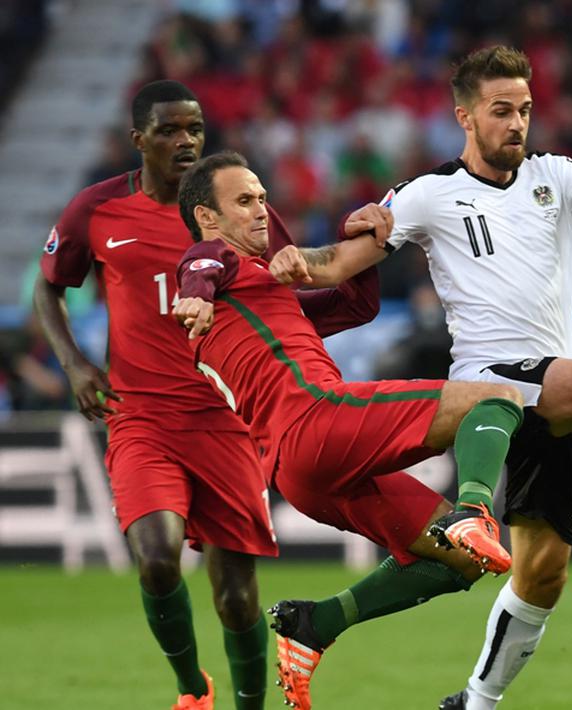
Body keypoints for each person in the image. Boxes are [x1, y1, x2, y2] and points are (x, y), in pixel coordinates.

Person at [265, 46, 572, 710]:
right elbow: (338, 264)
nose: (516, 123)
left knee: (541, 575)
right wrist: (295, 258)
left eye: (524, 110)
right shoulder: (428, 193)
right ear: (465, 117)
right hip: (490, 386)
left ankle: (466, 698)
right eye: (501, 111)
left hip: (551, 394)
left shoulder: (554, 176)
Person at [32, 80, 388, 710]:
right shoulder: (98, 210)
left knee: (236, 597)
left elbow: (285, 291)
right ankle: (193, 691)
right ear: (139, 139)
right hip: (141, 416)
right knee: (157, 558)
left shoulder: (239, 210)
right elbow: (48, 288)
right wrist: (76, 365)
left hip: (229, 419)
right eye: (169, 130)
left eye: (195, 128)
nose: (186, 141)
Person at [171, 151, 528, 710]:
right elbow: (201, 265)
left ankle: (315, 624)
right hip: (317, 417)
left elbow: (355, 305)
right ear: (207, 218)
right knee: (499, 397)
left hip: (298, 472)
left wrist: (360, 234)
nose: (262, 210)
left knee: (463, 562)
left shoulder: (260, 293)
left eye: (264, 197)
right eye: (244, 201)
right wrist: (195, 289)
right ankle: (474, 506)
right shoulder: (213, 268)